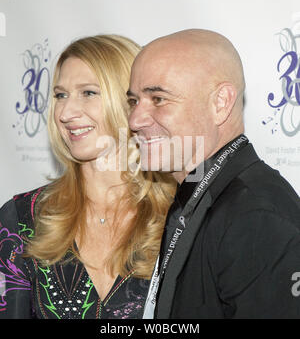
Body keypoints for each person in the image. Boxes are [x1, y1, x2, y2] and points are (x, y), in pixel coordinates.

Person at [127, 29, 300, 319]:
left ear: (220, 103)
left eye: (158, 98)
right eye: (133, 101)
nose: (134, 120)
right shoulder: (198, 193)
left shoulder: (256, 216)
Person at [0, 34, 175, 319]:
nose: (66, 113)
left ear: (133, 102)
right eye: (60, 95)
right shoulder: (22, 219)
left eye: (89, 93)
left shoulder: (180, 216)